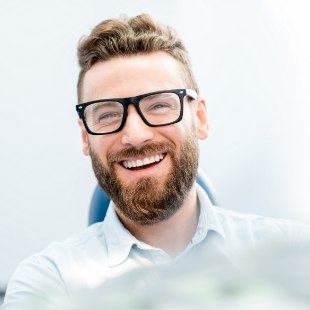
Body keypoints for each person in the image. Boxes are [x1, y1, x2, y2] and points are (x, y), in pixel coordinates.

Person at [2, 14, 310, 309]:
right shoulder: (49, 283)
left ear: (200, 118)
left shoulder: (292, 255)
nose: (135, 135)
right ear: (85, 137)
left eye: (160, 105)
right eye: (108, 114)